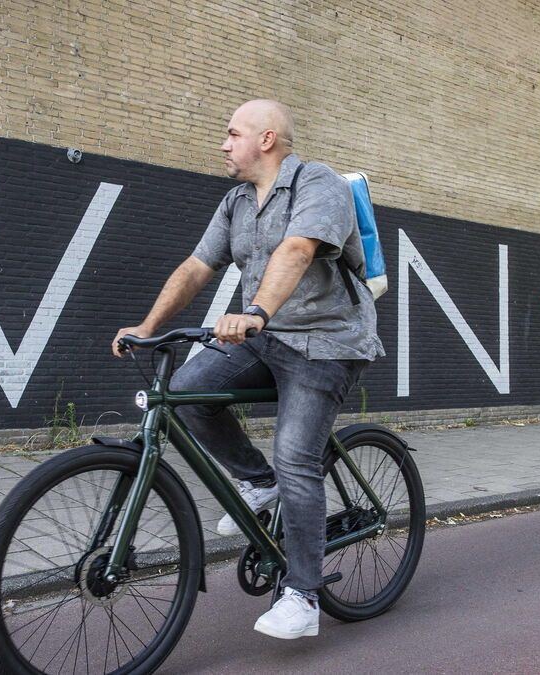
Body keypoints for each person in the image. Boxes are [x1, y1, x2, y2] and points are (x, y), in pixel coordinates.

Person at [111, 99, 384, 639]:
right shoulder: (235, 201)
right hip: (266, 338)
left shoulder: (318, 183)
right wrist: (146, 327)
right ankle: (261, 485)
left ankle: (304, 597)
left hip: (327, 344)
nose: (222, 143)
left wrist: (256, 311)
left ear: (266, 139)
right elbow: (196, 268)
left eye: (231, 133)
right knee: (187, 389)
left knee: (295, 455)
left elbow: (299, 249)